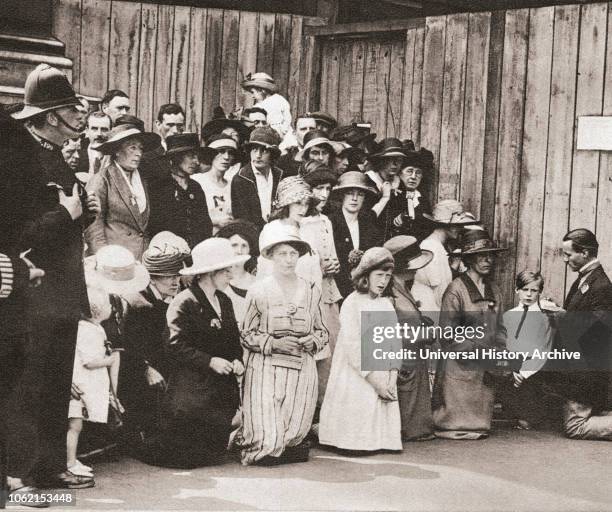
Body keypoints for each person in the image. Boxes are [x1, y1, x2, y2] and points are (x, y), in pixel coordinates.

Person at [2, 65, 100, 491]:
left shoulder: (57, 156)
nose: (78, 118)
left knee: (57, 384)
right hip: (31, 295)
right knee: (26, 389)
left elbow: (65, 223)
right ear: (47, 117)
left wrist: (85, 210)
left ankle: (48, 468)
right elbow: (15, 233)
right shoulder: (17, 160)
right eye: (69, 110)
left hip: (62, 294)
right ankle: (17, 478)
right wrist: (67, 213)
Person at [148, 238, 247, 468]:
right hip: (191, 393)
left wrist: (237, 359)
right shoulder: (185, 302)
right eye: (226, 271)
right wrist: (209, 361)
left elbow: (233, 340)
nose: (231, 276)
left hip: (219, 395)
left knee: (212, 454)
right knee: (185, 457)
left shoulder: (224, 300)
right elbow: (174, 345)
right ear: (209, 273)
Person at [239, 222, 328, 465]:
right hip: (267, 366)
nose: (288, 259)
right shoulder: (259, 291)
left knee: (295, 429)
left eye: (293, 253)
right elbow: (246, 333)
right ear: (271, 256)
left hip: (301, 366)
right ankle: (261, 445)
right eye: (282, 254)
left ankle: (291, 445)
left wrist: (313, 340)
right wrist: (273, 343)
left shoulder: (311, 291)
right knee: (267, 442)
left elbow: (322, 331)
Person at [319, 247, 402, 452]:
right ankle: (352, 441)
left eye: (387, 276)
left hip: (382, 369)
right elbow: (353, 346)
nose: (383, 281)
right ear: (366, 276)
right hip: (357, 372)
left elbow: (394, 343)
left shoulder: (386, 304)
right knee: (359, 401)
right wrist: (374, 380)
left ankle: (381, 440)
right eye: (379, 275)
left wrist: (392, 377)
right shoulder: (352, 303)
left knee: (382, 401)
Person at [432, 229, 508, 440]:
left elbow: (500, 327)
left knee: (481, 424)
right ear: (469, 259)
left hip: (485, 369)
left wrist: (498, 352)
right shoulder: (456, 289)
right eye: (481, 255)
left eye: (490, 255)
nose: (487, 260)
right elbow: (447, 333)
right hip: (460, 366)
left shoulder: (494, 289)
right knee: (454, 422)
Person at [122, 232, 190, 453]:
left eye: (176, 275)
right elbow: (129, 344)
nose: (175, 281)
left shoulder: (169, 299)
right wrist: (146, 369)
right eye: (168, 276)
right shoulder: (139, 303)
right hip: (139, 370)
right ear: (152, 278)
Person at [552, 229, 612, 440]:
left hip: (586, 372)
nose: (565, 259)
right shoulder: (587, 279)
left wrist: (561, 316)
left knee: (574, 427)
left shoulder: (600, 285)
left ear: (585, 253)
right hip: (579, 369)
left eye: (568, 254)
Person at [66, 286, 122, 484]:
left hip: (83, 386)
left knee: (76, 425)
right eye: (108, 304)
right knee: (74, 425)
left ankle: (72, 460)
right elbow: (89, 361)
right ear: (97, 309)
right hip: (78, 387)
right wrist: (111, 359)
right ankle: (69, 463)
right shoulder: (87, 330)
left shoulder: (94, 328)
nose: (111, 308)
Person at [383, 236, 436, 441]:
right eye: (412, 265)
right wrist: (423, 334)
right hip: (405, 355)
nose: (416, 269)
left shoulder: (403, 287)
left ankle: (415, 429)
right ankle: (406, 430)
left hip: (414, 354)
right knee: (406, 395)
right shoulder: (390, 293)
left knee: (415, 394)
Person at [300, 161, 342, 413]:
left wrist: (333, 266)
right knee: (314, 351)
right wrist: (319, 266)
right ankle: (309, 409)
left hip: (328, 292)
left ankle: (326, 410)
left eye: (328, 188)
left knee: (333, 348)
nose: (324, 195)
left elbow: (331, 254)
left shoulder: (326, 221)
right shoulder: (299, 224)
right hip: (309, 294)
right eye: (319, 188)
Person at [85, 122, 160, 259]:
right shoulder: (102, 180)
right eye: (132, 148)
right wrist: (105, 258)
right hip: (115, 259)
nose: (138, 154)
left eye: (141, 149)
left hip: (142, 258)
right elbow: (93, 228)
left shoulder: (142, 180)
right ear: (117, 151)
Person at [500, 270, 563, 430]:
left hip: (533, 371)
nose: (528, 294)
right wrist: (511, 370)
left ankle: (530, 416)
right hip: (512, 370)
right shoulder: (508, 315)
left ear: (539, 292)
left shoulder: (545, 317)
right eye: (524, 289)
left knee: (528, 414)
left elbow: (544, 349)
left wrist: (524, 373)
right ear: (517, 290)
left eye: (533, 290)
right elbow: (504, 345)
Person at [412, 200, 478, 321]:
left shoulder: (439, 246)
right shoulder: (430, 247)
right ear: (445, 224)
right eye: (457, 225)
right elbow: (440, 293)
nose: (460, 229)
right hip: (429, 310)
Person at [147, 133, 213, 248]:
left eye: (198, 157)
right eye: (191, 156)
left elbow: (205, 226)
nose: (197, 162)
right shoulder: (159, 187)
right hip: (168, 253)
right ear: (177, 157)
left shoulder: (195, 187)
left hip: (196, 253)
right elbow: (154, 227)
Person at [328, 171, 382, 298]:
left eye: (360, 194)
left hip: (363, 290)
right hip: (336, 289)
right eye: (350, 193)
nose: (354, 198)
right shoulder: (330, 222)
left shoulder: (368, 224)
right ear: (342, 196)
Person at [231, 127, 284, 228]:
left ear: (272, 154)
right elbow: (242, 218)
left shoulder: (279, 175)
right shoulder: (241, 179)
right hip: (253, 234)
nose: (258, 155)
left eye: (264, 151)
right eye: (254, 150)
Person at [215, 221, 259, 326]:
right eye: (234, 245)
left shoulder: (258, 282)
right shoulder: (217, 283)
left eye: (244, 246)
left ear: (250, 250)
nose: (239, 251)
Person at [193, 134, 239, 233]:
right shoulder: (197, 181)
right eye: (221, 152)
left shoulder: (234, 185)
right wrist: (215, 221)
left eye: (230, 153)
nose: (226, 157)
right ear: (211, 155)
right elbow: (189, 217)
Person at [365, 138, 408, 242]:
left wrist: (401, 218)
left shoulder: (400, 184)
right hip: (370, 238)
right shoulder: (368, 181)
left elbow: (403, 209)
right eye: (390, 159)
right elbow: (365, 218)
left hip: (393, 240)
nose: (395, 164)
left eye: (399, 160)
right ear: (381, 160)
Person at [391, 148, 433, 241]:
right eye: (409, 171)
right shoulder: (392, 196)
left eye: (418, 173)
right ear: (400, 174)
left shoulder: (422, 200)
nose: (413, 177)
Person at [139, 103, 185, 184]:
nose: (175, 130)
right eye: (170, 125)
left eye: (179, 125)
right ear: (158, 124)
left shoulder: (189, 156)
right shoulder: (147, 158)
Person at [241, 72, 292, 137]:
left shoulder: (272, 103)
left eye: (253, 92)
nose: (252, 96)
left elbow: (278, 127)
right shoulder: (279, 99)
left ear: (262, 90)